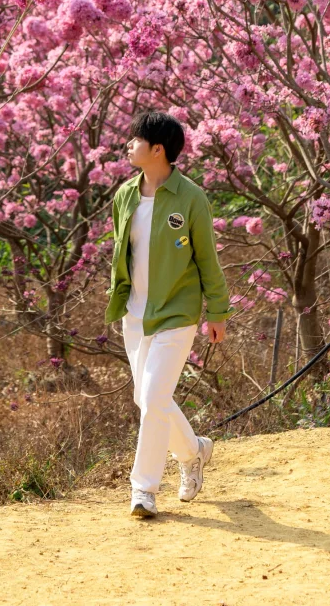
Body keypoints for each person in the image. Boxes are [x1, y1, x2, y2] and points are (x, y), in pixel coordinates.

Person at [106, 109, 229, 519]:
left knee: (155, 397)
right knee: (148, 399)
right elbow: (123, 253)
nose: (128, 144)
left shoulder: (191, 198)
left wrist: (218, 310)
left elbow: (207, 258)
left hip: (177, 311)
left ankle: (143, 490)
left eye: (135, 139)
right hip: (135, 313)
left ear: (157, 149)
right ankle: (194, 452)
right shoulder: (124, 195)